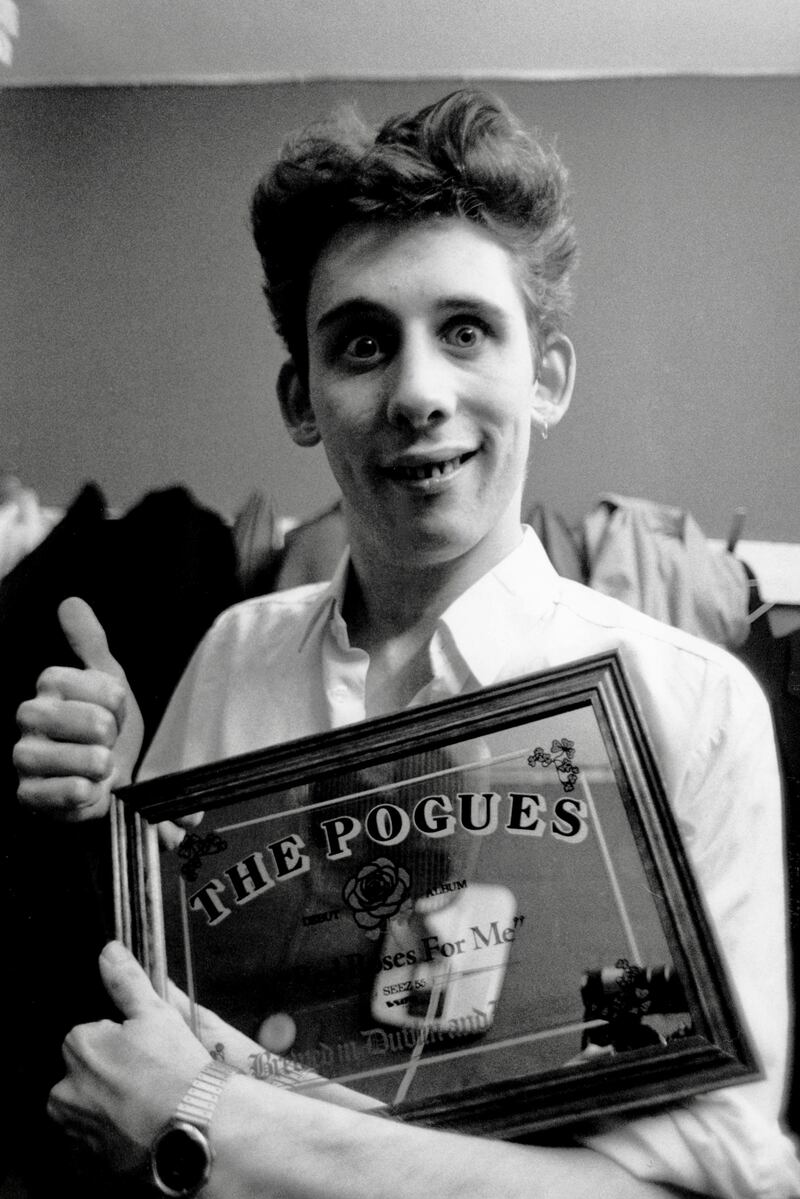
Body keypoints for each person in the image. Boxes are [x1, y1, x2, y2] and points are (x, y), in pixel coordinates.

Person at [14, 89, 800, 1198]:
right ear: (302, 397)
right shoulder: (232, 654)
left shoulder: (694, 707)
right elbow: (148, 1018)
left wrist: (208, 1125)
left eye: (465, 330)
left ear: (546, 377)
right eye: (363, 343)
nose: (417, 393)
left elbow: (708, 1179)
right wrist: (111, 812)